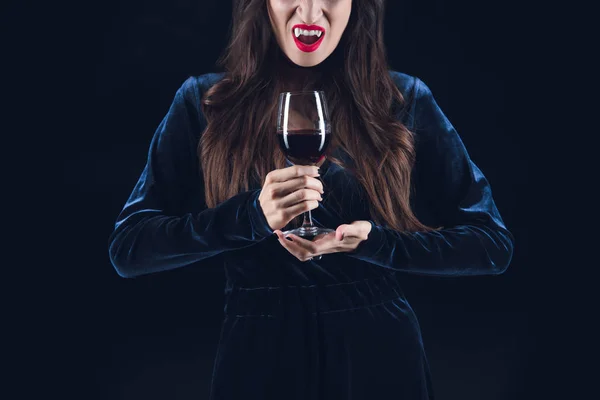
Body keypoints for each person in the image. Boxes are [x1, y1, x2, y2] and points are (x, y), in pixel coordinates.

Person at [108, 0, 515, 398]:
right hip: (258, 355)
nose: (309, 12)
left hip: (378, 356)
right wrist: (248, 217)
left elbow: (490, 246)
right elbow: (131, 248)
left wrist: (377, 243)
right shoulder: (205, 103)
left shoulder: (402, 99)